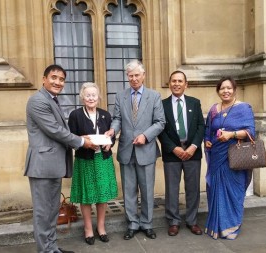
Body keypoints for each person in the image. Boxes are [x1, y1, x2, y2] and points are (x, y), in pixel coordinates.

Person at [24, 64, 97, 253]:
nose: (58, 82)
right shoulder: (37, 101)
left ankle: (52, 247)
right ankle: (45, 250)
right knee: (43, 212)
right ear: (44, 79)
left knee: (51, 211)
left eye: (62, 79)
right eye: (54, 77)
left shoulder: (53, 100)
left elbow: (60, 131)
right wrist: (81, 141)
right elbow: (54, 131)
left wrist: (84, 138)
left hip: (53, 165)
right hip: (43, 165)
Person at [105, 60, 165, 240]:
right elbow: (116, 118)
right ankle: (132, 223)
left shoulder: (154, 96)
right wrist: (113, 130)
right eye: (130, 76)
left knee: (147, 191)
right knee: (129, 191)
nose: (134, 79)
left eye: (137, 75)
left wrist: (145, 136)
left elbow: (160, 122)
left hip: (146, 150)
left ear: (143, 75)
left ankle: (146, 224)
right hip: (126, 150)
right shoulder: (120, 96)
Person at [204, 76, 255, 240]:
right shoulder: (213, 109)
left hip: (234, 157)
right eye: (222, 88)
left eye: (229, 88)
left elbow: (250, 132)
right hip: (217, 156)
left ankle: (231, 226)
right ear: (218, 91)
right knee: (215, 189)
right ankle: (216, 226)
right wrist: (207, 141)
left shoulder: (244, 108)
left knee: (234, 191)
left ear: (234, 90)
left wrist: (231, 134)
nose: (225, 91)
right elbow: (208, 130)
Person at [67, 82, 118, 245]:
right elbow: (71, 139)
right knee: (87, 196)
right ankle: (88, 228)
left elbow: (112, 135)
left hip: (102, 159)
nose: (91, 98)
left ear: (98, 97)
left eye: (93, 95)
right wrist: (84, 142)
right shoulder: (75, 115)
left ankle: (101, 227)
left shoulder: (105, 114)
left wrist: (110, 142)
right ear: (82, 97)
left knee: (102, 195)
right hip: (85, 160)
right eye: (87, 95)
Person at [158, 70, 205, 236]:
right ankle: (173, 221)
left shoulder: (194, 103)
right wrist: (174, 148)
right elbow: (160, 129)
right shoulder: (161, 105)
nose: (176, 84)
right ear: (169, 84)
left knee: (193, 188)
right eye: (174, 81)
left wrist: (193, 146)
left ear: (186, 84)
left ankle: (192, 221)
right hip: (172, 153)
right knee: (172, 189)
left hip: (193, 153)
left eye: (180, 81)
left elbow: (201, 126)